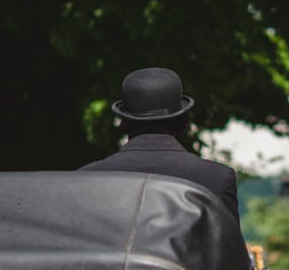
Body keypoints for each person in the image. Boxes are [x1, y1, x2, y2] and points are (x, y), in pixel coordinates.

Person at [79, 67, 240, 224]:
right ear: (184, 122)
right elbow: (228, 250)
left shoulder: (86, 178)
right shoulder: (217, 178)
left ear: (124, 123)